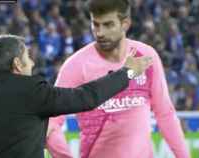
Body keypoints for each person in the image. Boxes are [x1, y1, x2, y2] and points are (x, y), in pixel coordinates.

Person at [0, 34, 152, 158]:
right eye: (28, 57)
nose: (32, 62)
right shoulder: (29, 90)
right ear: (17, 64)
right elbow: (85, 97)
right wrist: (126, 72)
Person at [46, 0, 190, 158]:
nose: (100, 32)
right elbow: (51, 122)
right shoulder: (76, 66)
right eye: (96, 24)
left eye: (108, 25)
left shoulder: (146, 56)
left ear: (125, 24)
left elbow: (165, 114)